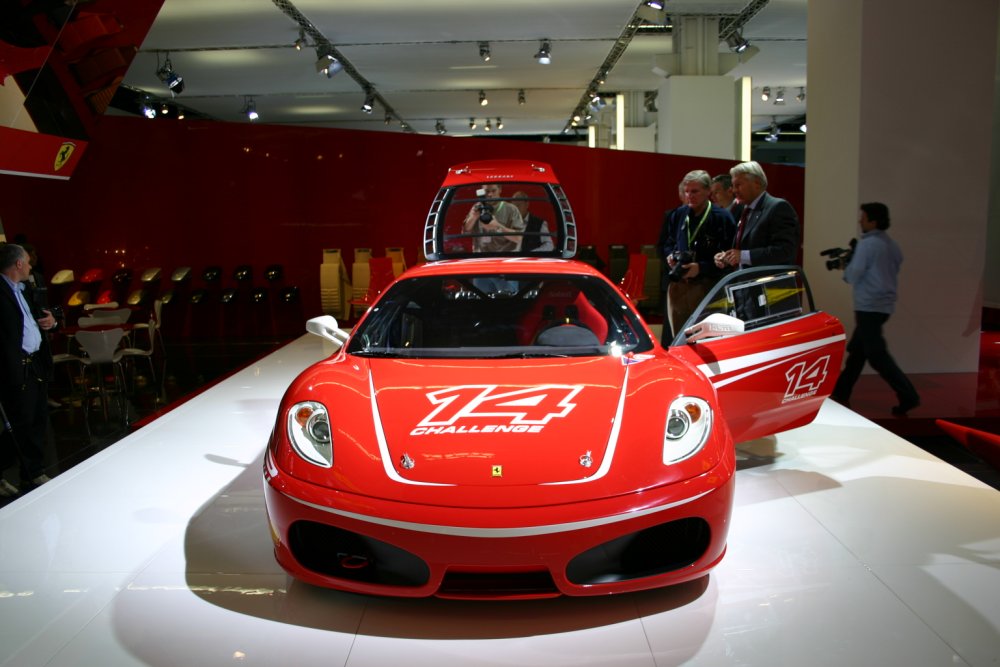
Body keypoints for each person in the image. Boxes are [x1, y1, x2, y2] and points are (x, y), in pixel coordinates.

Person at [831, 203, 920, 415]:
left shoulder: (867, 245)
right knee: (858, 353)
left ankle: (909, 396)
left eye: (863, 217)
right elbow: (896, 265)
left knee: (876, 354)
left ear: (873, 220)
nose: (860, 221)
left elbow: (853, 275)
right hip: (883, 306)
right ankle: (841, 392)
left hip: (868, 305)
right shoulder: (891, 245)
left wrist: (846, 268)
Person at [0, 243, 56, 497]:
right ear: (18, 264)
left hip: (35, 364)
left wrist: (51, 321)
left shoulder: (25, 288)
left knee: (37, 420)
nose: (31, 265)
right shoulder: (0, 292)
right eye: (27, 261)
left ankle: (32, 474)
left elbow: (39, 317)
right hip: (13, 368)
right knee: (18, 425)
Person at [658, 170, 737, 341]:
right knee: (679, 337)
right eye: (687, 192)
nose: (689, 196)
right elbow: (668, 243)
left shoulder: (722, 217)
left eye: (695, 191)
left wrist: (701, 268)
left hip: (707, 286)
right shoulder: (678, 215)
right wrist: (671, 256)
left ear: (708, 191)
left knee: (706, 338)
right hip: (679, 284)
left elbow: (729, 257)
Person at [714, 161, 799, 270]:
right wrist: (727, 257)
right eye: (733, 186)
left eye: (738, 185)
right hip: (743, 282)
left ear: (757, 183)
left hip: (769, 285)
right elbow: (743, 248)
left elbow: (785, 250)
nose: (734, 190)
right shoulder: (743, 209)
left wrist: (743, 256)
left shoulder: (778, 207)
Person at [463, 183, 525, 253]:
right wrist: (473, 217)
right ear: (482, 191)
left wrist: (498, 227)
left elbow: (519, 238)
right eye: (487, 191)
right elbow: (465, 231)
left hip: (506, 257)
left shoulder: (511, 209)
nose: (490, 194)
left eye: (493, 191)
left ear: (500, 190)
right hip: (481, 258)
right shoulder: (477, 208)